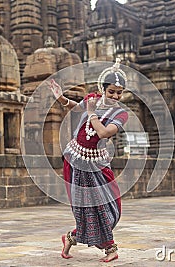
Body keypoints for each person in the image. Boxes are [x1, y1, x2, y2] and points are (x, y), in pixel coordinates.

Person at [49, 60, 129, 263]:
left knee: (109, 207)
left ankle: (71, 238)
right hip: (76, 160)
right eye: (111, 91)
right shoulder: (92, 100)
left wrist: (92, 112)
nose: (115, 96)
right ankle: (110, 248)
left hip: (97, 165)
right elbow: (78, 110)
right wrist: (61, 98)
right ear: (103, 89)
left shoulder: (121, 114)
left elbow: (102, 132)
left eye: (119, 92)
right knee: (86, 208)